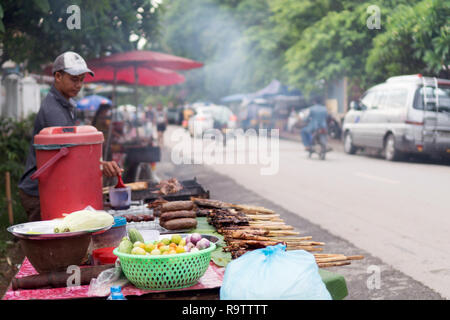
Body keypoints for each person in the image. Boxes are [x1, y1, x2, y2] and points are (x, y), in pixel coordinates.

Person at [18, 51, 123, 222]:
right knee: (50, 245)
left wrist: (100, 165)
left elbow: (72, 153)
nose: (79, 85)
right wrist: (101, 166)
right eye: (74, 79)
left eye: (82, 80)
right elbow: (70, 160)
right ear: (58, 76)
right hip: (40, 191)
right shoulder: (54, 111)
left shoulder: (65, 104)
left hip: (51, 186)